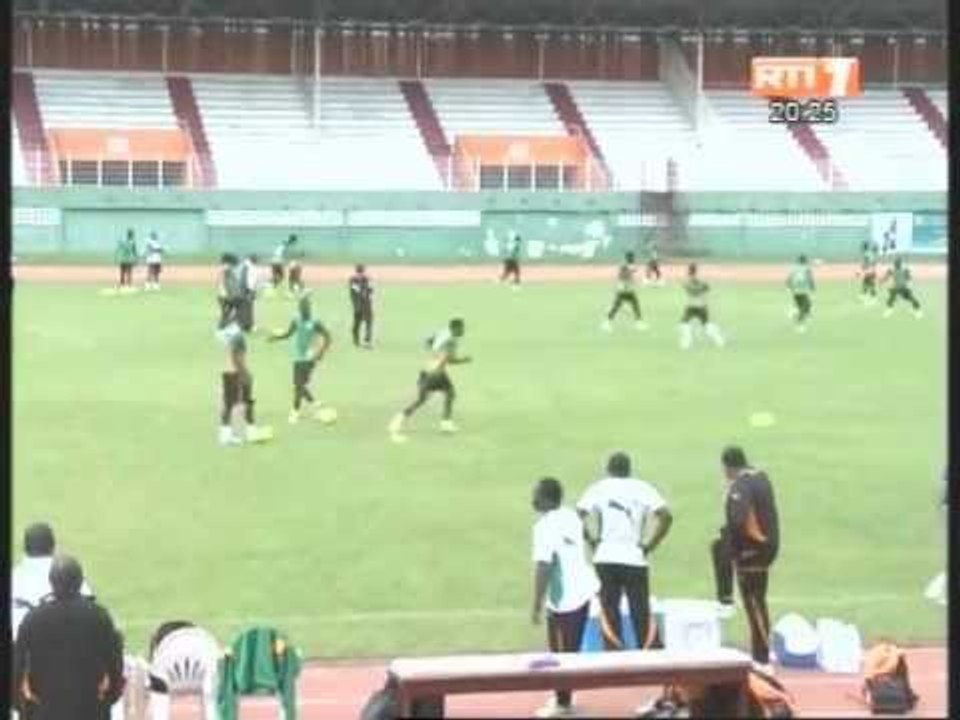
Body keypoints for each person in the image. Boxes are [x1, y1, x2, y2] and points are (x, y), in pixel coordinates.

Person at [577, 452, 672, 655]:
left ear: (608, 470)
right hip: (634, 558)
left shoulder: (599, 488)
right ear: (629, 470)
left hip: (605, 558)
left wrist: (592, 540)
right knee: (641, 611)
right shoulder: (642, 488)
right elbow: (666, 516)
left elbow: (578, 516)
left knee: (610, 610)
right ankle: (651, 658)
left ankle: (613, 658)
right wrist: (649, 545)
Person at [13, 555, 124, 720]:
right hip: (91, 710)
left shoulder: (33, 618)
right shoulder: (99, 616)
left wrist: (24, 708)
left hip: (45, 711)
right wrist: (108, 699)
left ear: (51, 583)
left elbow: (17, 667)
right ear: (80, 582)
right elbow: (115, 663)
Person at [530, 477, 599, 719]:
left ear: (547, 499)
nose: (532, 499)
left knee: (561, 654)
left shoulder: (544, 527)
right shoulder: (570, 516)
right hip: (583, 592)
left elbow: (543, 567)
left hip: (564, 600)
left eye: (536, 494)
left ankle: (563, 705)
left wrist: (536, 605)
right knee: (570, 651)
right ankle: (564, 699)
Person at [710, 446, 780, 671]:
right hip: (765, 546)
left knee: (754, 602)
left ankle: (762, 659)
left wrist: (737, 548)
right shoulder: (760, 477)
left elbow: (740, 520)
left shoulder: (740, 486)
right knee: (756, 601)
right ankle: (760, 652)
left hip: (753, 550)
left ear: (727, 467)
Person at [388, 318, 471, 442]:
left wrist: (434, 355)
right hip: (435, 373)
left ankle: (400, 419)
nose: (463, 330)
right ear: (455, 328)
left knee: (446, 394)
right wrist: (464, 360)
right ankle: (444, 423)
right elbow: (449, 360)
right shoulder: (451, 342)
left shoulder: (444, 333)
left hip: (427, 370)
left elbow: (428, 342)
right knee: (433, 397)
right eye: (461, 328)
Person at [11, 523, 94, 640]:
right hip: (55, 647)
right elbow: (89, 606)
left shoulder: (14, 576)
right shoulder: (64, 571)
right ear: (53, 545)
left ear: (25, 548)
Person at [269, 294, 333, 424]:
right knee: (300, 385)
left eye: (306, 309)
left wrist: (321, 352)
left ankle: (295, 412)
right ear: (300, 309)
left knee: (299, 385)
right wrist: (276, 338)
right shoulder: (296, 320)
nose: (304, 311)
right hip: (298, 357)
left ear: (309, 309)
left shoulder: (315, 322)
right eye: (303, 309)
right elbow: (288, 333)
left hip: (310, 358)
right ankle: (314, 403)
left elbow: (328, 337)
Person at [217, 311, 271, 446]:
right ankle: (250, 431)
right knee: (247, 401)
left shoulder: (227, 333)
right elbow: (237, 357)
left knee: (229, 403)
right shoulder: (238, 336)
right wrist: (244, 373)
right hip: (237, 372)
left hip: (227, 371)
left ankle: (226, 434)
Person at [679, 263, 725, 350]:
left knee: (684, 324)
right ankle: (719, 340)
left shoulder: (688, 281)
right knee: (706, 324)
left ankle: (686, 343)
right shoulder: (701, 281)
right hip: (702, 306)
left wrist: (693, 287)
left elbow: (689, 289)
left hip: (691, 306)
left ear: (689, 270)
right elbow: (707, 288)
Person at [603, 251, 647, 332]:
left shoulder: (628, 265)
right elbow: (629, 271)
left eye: (633, 257)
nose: (633, 259)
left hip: (628, 289)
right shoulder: (624, 266)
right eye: (632, 257)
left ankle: (639, 323)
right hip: (623, 290)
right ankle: (607, 323)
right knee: (617, 307)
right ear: (628, 258)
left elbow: (633, 272)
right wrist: (632, 269)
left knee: (635, 305)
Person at [785, 255, 815, 332]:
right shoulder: (807, 269)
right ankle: (800, 325)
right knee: (804, 307)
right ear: (805, 261)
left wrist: (788, 287)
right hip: (803, 290)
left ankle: (795, 313)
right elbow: (810, 278)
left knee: (805, 305)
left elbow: (789, 278)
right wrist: (812, 287)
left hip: (795, 291)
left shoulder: (794, 268)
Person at [349, 264, 375, 348]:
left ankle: (367, 341)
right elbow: (357, 290)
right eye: (359, 273)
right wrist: (365, 292)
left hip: (367, 305)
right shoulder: (352, 280)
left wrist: (370, 295)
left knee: (369, 322)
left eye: (362, 273)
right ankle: (356, 340)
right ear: (356, 273)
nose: (360, 275)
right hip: (358, 306)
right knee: (357, 324)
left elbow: (371, 290)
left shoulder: (367, 279)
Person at [217, 253, 244, 330]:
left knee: (227, 313)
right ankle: (223, 327)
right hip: (226, 295)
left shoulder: (227, 269)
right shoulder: (226, 268)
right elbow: (223, 281)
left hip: (227, 295)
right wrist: (225, 291)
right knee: (228, 313)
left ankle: (225, 327)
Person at [237, 254, 260, 333]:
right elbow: (250, 281)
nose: (257, 262)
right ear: (253, 260)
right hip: (246, 290)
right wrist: (251, 292)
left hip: (242, 290)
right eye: (256, 260)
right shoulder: (250, 267)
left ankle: (244, 326)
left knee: (243, 309)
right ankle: (248, 326)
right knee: (248, 309)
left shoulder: (244, 266)